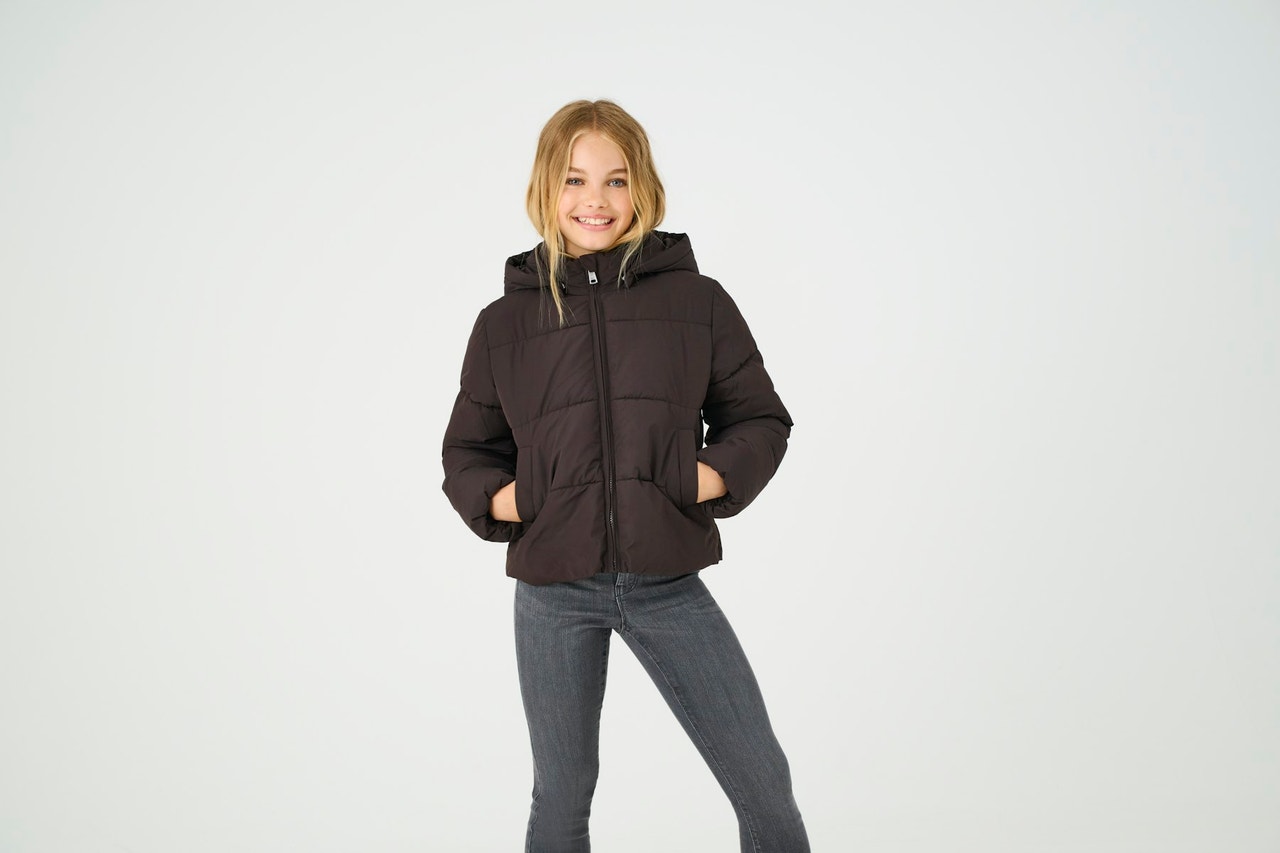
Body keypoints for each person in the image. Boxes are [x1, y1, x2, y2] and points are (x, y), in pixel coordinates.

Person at [442, 99, 810, 852]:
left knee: (762, 782)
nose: (596, 200)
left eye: (616, 179)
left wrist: (696, 479)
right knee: (561, 794)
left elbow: (760, 419)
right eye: (575, 179)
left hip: (666, 579)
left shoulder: (697, 303)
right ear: (547, 188)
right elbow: (467, 453)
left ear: (642, 186)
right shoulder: (504, 323)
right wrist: (522, 498)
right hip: (553, 589)